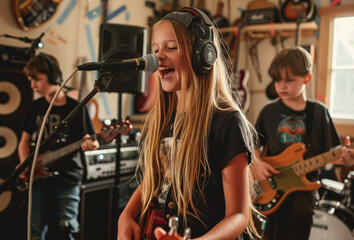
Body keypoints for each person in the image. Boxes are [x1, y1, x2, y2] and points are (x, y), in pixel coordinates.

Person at [117, 7, 261, 240]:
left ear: (203, 55)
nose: (158, 57)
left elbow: (237, 216)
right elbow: (156, 179)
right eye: (155, 49)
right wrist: (126, 215)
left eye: (171, 47)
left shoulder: (227, 122)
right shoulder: (161, 119)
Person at [253, 46, 354, 240]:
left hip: (306, 183)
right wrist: (258, 163)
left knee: (302, 218)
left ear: (307, 78)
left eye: (289, 80)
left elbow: (334, 153)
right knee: (272, 232)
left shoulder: (318, 113)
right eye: (277, 80)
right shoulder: (268, 112)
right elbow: (252, 146)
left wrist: (347, 160)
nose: (282, 85)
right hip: (273, 183)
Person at [17, 53, 99, 240]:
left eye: (37, 79)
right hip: (38, 180)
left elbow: (93, 139)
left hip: (68, 179)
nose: (32, 85)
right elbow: (23, 141)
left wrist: (91, 144)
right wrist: (27, 166)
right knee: (35, 230)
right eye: (30, 80)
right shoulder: (34, 107)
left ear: (52, 76)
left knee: (66, 230)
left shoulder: (76, 107)